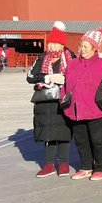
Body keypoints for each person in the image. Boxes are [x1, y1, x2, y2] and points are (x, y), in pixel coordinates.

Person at [26, 22, 74, 177]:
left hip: (62, 100)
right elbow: (30, 77)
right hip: (45, 102)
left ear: (62, 45)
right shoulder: (42, 58)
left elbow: (75, 76)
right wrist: (47, 77)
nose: (53, 46)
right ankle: (49, 164)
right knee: (48, 134)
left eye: (57, 44)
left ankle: (64, 163)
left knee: (63, 132)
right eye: (51, 43)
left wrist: (64, 79)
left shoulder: (70, 57)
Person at [62, 29, 102, 181]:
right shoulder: (72, 64)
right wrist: (63, 98)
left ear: (95, 48)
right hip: (75, 109)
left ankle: (101, 168)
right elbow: (65, 83)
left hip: (96, 109)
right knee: (81, 140)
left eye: (86, 47)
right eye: (81, 46)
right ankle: (86, 166)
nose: (82, 49)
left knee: (98, 140)